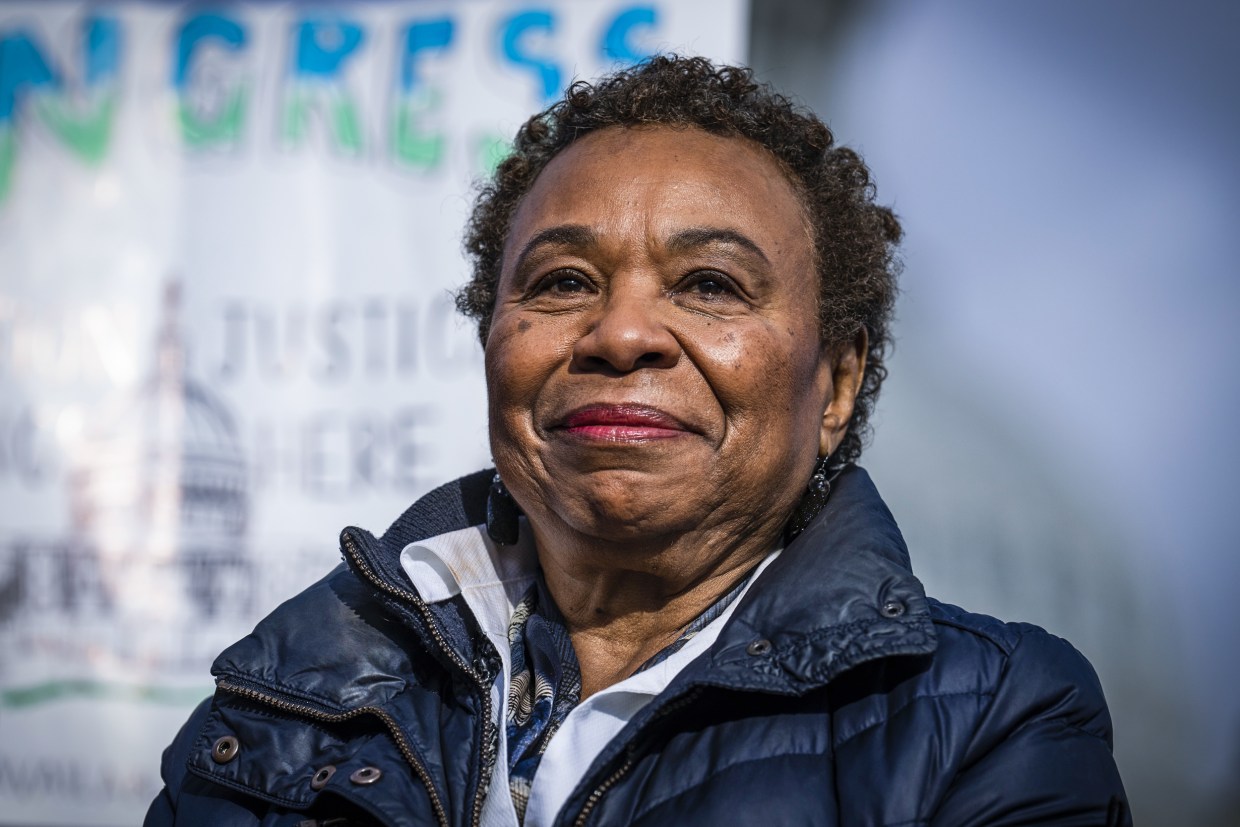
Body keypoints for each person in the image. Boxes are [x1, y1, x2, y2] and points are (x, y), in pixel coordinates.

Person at [146, 56, 1130, 826]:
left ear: (835, 381)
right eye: (563, 280)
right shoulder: (282, 706)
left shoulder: (988, 717)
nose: (620, 334)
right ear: (491, 340)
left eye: (709, 284)